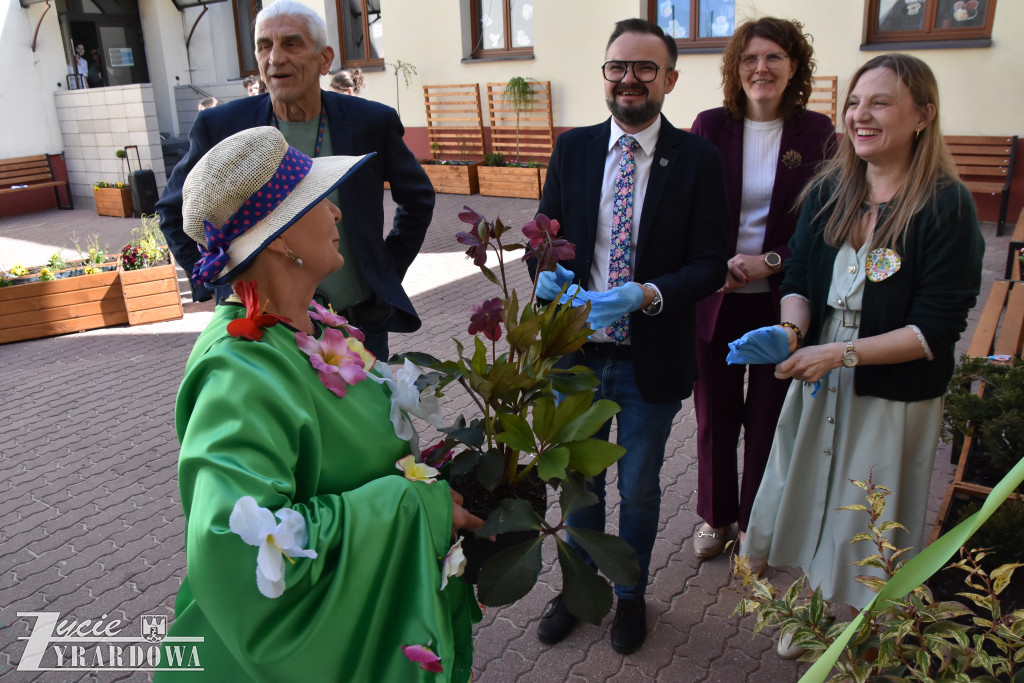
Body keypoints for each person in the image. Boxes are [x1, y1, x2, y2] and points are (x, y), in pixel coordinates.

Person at [155, 126, 482, 681]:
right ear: (279, 238)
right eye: (314, 199)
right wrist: (416, 509)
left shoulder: (309, 324)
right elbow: (231, 549)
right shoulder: (241, 372)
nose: (335, 211)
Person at [741, 53, 984, 656]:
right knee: (812, 491)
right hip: (824, 369)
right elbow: (796, 278)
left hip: (891, 387)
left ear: (923, 115)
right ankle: (817, 605)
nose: (860, 115)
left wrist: (836, 354)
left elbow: (934, 329)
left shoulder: (946, 207)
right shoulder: (829, 190)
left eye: (879, 102)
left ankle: (855, 617)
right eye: (853, 102)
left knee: (864, 506)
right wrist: (793, 334)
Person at [532, 18, 729, 654]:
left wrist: (647, 294)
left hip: (650, 356)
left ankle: (628, 593)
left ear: (670, 79)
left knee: (639, 488)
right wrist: (546, 274)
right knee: (578, 485)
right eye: (618, 66)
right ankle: (578, 587)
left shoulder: (698, 159)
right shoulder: (575, 148)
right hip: (577, 354)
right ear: (605, 75)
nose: (629, 79)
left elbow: (709, 262)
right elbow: (546, 235)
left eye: (645, 68)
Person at [155, 0, 433, 360]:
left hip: (358, 323)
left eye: (292, 43)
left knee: (369, 415)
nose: (275, 57)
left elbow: (418, 198)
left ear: (324, 59)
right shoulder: (222, 126)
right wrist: (218, 280)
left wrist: (386, 268)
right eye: (264, 46)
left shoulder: (370, 121)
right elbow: (173, 211)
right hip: (267, 329)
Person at [689, 17, 836, 560]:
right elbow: (688, 211)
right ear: (736, 67)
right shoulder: (709, 126)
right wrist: (715, 262)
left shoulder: (818, 133)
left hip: (782, 302)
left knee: (768, 418)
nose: (761, 67)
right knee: (714, 417)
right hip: (716, 300)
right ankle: (717, 517)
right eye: (750, 58)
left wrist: (771, 261)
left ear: (793, 66)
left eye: (774, 57)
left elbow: (825, 226)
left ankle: (756, 521)